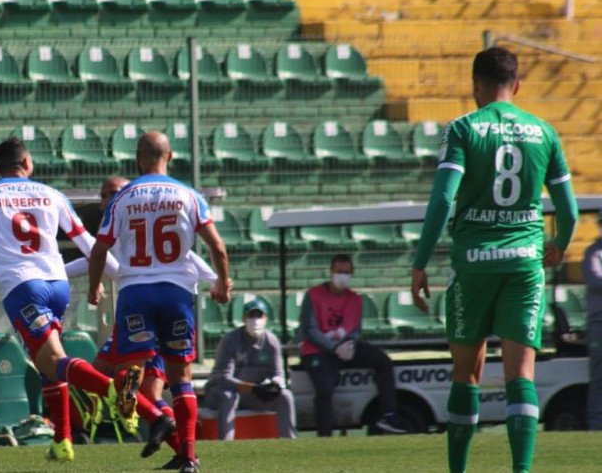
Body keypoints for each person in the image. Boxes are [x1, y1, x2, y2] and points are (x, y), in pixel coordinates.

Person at [410, 46, 579, 473]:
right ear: (517, 85)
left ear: (475, 86)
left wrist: (420, 262)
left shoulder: (463, 129)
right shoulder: (544, 131)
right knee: (520, 376)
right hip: (525, 262)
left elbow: (442, 199)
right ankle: (520, 470)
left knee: (466, 373)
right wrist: (559, 243)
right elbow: (570, 211)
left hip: (474, 264)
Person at [0, 138, 140, 463]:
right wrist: (124, 276)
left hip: (24, 288)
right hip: (58, 286)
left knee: (53, 360)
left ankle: (109, 390)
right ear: (27, 162)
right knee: (47, 365)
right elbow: (88, 243)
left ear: (1, 166)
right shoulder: (53, 194)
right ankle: (63, 440)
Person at [87, 131, 232, 473]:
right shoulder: (189, 195)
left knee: (128, 376)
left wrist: (94, 287)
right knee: (181, 376)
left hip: (136, 292)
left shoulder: (123, 198)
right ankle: (189, 457)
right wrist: (223, 282)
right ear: (170, 156)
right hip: (176, 293)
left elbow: (99, 249)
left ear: (138, 159)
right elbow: (218, 247)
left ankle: (158, 417)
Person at [65, 176, 224, 461]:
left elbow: (187, 258)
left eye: (113, 192)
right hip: (143, 310)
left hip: (147, 309)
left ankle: (169, 433)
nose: (108, 199)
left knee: (139, 389)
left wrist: (214, 278)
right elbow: (93, 258)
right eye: (103, 195)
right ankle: (169, 434)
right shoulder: (120, 225)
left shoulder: (129, 216)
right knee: (110, 377)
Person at [297, 254, 406, 437]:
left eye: (347, 272)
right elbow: (310, 330)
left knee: (383, 362)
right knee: (324, 389)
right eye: (339, 272)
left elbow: (355, 329)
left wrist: (349, 345)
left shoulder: (355, 299)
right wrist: (333, 348)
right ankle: (325, 436)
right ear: (331, 272)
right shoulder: (313, 295)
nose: (343, 276)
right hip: (317, 352)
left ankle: (388, 415)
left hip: (345, 348)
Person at [205, 297, 296, 440]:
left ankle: (289, 441)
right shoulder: (230, 340)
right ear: (243, 318)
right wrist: (253, 388)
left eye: (259, 316)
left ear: (266, 318)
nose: (255, 320)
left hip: (254, 395)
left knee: (285, 396)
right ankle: (226, 444)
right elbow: (223, 379)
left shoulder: (271, 342)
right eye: (251, 316)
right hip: (219, 393)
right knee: (229, 396)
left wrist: (272, 384)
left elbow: (278, 373)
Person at [582, 214, 602, 430]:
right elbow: (596, 280)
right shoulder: (594, 252)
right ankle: (597, 426)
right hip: (599, 324)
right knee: (599, 380)